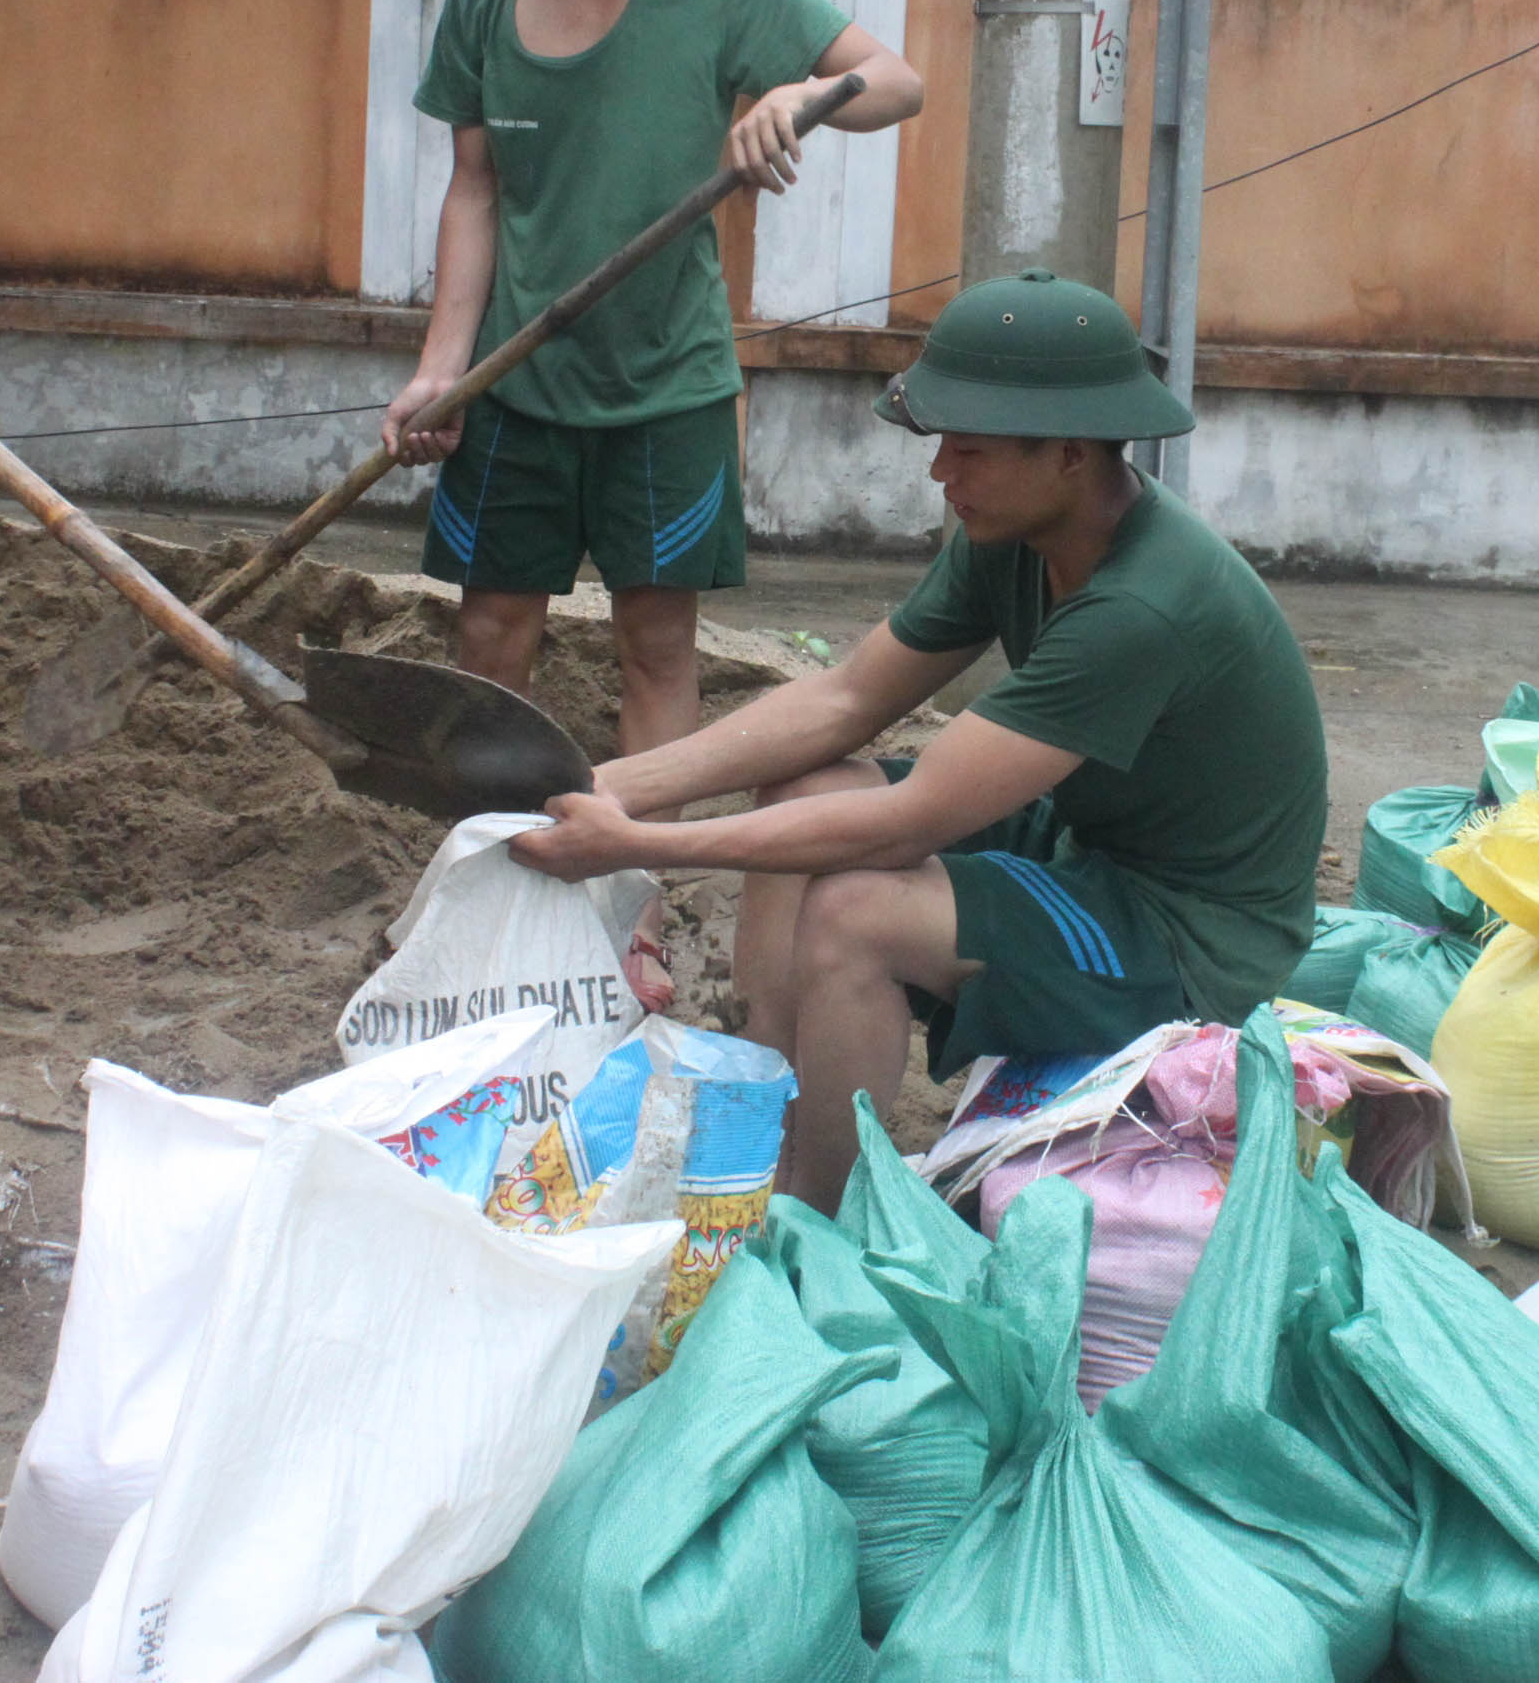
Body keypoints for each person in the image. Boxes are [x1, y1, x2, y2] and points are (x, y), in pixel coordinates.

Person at [509, 270, 1329, 1210]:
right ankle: (759, 1103)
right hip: (1092, 847)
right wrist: (613, 783)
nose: (942, 472)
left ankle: (810, 1219)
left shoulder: (1140, 606)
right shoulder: (1018, 535)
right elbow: (844, 700)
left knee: (859, 911)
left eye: (968, 450)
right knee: (811, 784)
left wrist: (641, 845)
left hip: (1188, 939)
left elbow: (906, 824)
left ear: (1068, 453)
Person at [381, 0, 922, 996]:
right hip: (514, 388)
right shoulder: (481, 2)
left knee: (652, 645)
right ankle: (478, 876)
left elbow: (893, 78)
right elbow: (473, 189)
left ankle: (634, 906)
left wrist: (801, 98)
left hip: (666, 388)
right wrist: (439, 369)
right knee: (491, 629)